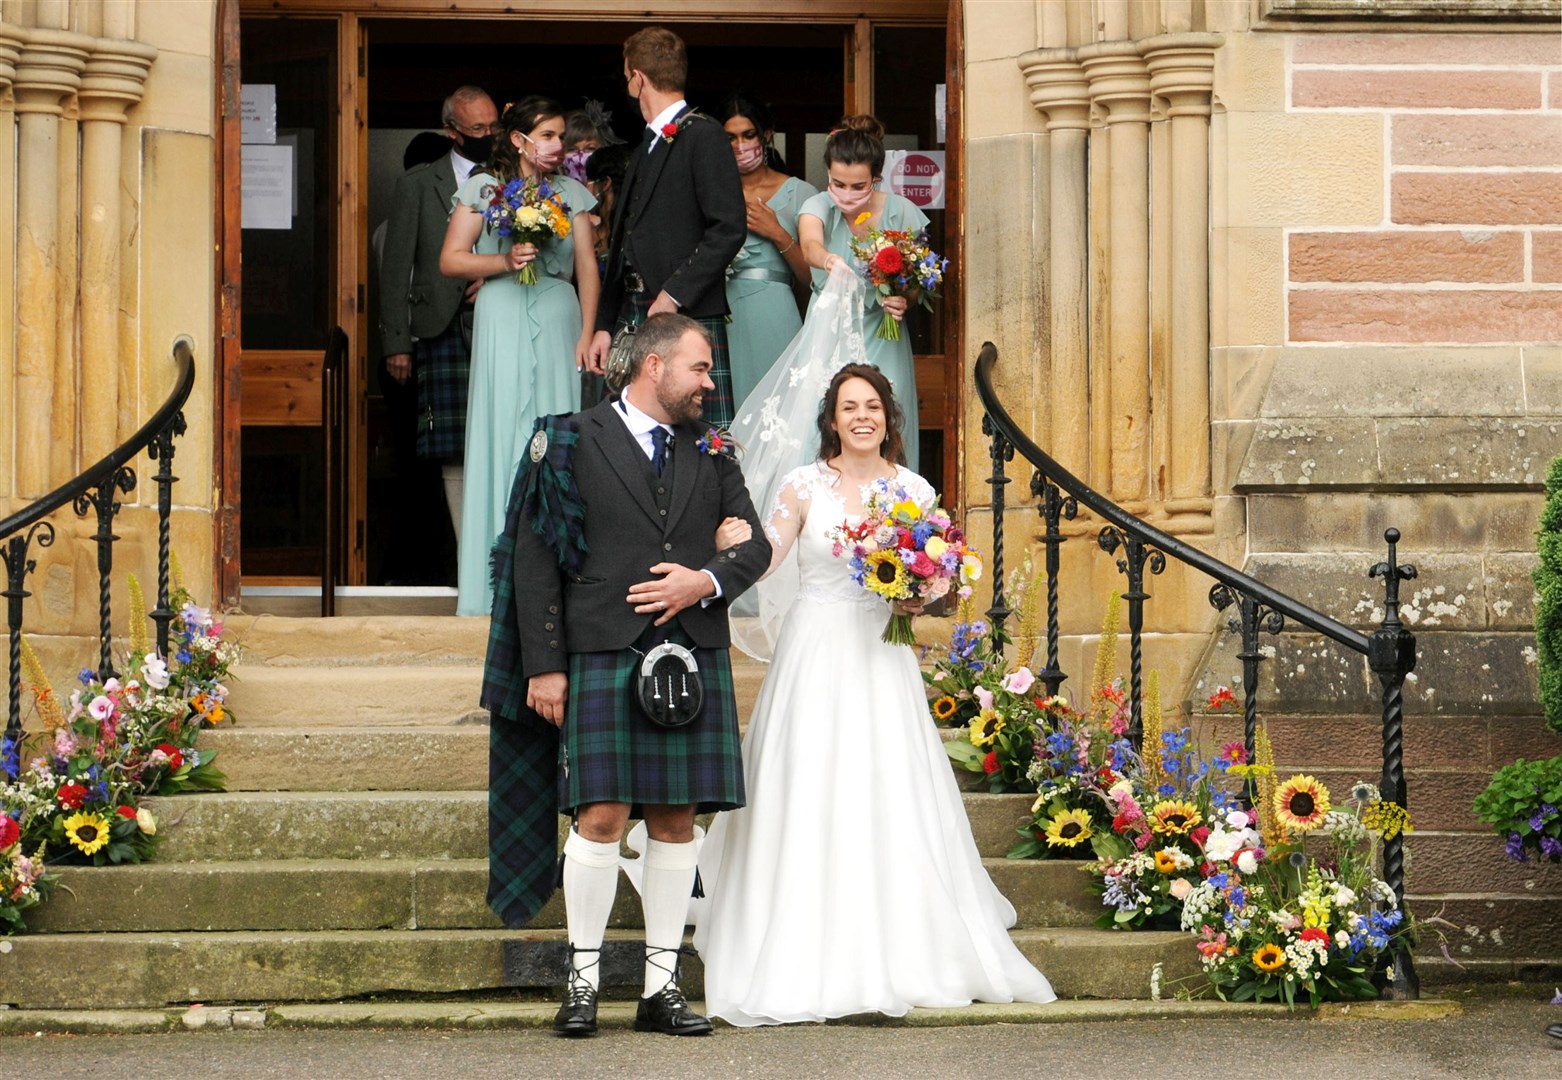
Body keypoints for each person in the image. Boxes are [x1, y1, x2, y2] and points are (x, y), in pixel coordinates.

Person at [694, 359, 1056, 1026]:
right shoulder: (804, 487)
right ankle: (798, 941)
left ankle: (902, 944)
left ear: (889, 420)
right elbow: (767, 557)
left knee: (886, 785)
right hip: (813, 652)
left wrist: (930, 589)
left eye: (873, 407)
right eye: (849, 407)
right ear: (831, 420)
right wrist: (725, 546)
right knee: (806, 787)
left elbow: (946, 578)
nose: (862, 417)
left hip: (881, 655)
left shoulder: (912, 488)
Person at [481, 313, 771, 1038]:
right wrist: (544, 667)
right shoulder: (570, 439)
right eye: (700, 368)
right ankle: (581, 986)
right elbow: (534, 557)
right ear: (653, 367)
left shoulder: (713, 447)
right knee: (601, 816)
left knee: (676, 821)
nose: (710, 382)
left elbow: (756, 544)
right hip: (603, 650)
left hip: (691, 652)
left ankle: (661, 989)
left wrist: (702, 580)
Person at [441, 96, 600, 617]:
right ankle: (491, 585)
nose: (558, 147)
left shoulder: (573, 193)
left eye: (561, 136)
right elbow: (450, 260)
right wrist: (503, 261)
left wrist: (588, 331)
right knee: (500, 432)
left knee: (556, 437)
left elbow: (587, 269)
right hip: (501, 312)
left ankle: (554, 580)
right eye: (548, 136)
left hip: (557, 312)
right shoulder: (484, 188)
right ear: (519, 139)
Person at [588, 27, 746, 427]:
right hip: (635, 309)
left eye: (628, 78)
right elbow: (624, 239)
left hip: (683, 312)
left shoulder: (704, 135)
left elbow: (728, 228)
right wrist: (605, 324)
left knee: (700, 443)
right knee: (633, 438)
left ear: (638, 78)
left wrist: (674, 295)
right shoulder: (648, 145)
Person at [379, 85, 498, 542]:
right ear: (452, 131)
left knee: (502, 436)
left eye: (493, 126)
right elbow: (396, 269)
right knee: (453, 449)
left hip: (503, 321)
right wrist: (397, 342)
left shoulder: (514, 179)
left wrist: (496, 274)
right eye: (477, 129)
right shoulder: (417, 184)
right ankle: (467, 550)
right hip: (440, 327)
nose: (488, 135)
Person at [798, 114, 928, 472]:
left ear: (875, 178)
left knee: (888, 416)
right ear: (828, 176)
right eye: (838, 184)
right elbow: (809, 244)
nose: (847, 195)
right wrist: (828, 261)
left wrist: (904, 298)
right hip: (831, 331)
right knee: (826, 420)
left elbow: (917, 282)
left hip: (885, 335)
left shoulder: (903, 212)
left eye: (859, 187)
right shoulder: (819, 205)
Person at [717, 93, 816, 408]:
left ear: (766, 135)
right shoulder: (710, 190)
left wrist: (776, 232)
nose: (741, 145)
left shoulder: (800, 192)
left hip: (775, 308)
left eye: (748, 135)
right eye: (730, 137)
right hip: (722, 310)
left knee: (777, 411)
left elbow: (813, 278)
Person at [580, 143, 632, 410]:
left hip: (621, 325)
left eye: (590, 181)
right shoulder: (586, 225)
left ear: (606, 184)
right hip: (590, 327)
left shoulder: (627, 225)